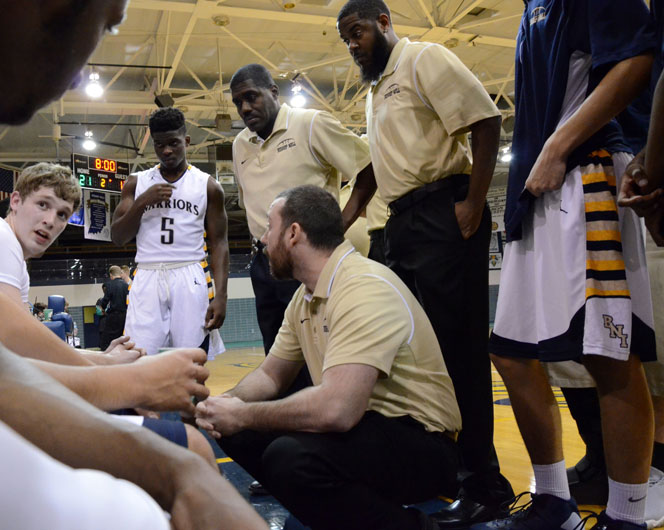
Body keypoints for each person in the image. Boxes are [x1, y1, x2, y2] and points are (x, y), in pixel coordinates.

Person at [0, 1, 266, 528]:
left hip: (186, 273)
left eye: (63, 212)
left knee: (182, 460)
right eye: (110, 23)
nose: (79, 72)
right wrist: (126, 383)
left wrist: (178, 472)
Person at [476, 0, 658, 528]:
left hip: (588, 173)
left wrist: (558, 145)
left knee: (608, 354)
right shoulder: (533, 7)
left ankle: (626, 518)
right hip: (534, 191)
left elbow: (636, 60)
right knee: (510, 353)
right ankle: (554, 502)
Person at [336, 0, 513, 525]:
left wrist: (473, 204)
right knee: (419, 356)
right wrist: (337, 223)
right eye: (345, 37)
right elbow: (372, 173)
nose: (352, 43)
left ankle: (487, 483)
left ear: (385, 23)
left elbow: (486, 120)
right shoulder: (375, 92)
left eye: (358, 31)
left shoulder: (423, 59)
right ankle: (446, 472)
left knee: (459, 353)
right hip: (402, 225)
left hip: (443, 210)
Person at [195, 185, 461, 530]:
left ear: (293, 234)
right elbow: (271, 376)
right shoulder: (305, 296)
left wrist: (244, 414)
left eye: (269, 228)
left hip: (422, 441)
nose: (262, 239)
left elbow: (338, 410)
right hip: (369, 429)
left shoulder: (362, 286)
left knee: (290, 460)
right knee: (234, 431)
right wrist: (221, 407)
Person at [0, 161, 217, 465]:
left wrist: (101, 360)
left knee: (170, 438)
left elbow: (24, 350)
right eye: (42, 205)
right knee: (192, 448)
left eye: (61, 215)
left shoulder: (13, 257)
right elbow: (13, 338)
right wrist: (120, 374)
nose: (49, 221)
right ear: (15, 201)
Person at [229, 64, 374, 357]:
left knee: (318, 352)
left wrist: (339, 226)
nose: (244, 108)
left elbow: (368, 166)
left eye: (251, 97)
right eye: (237, 103)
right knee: (276, 353)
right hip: (264, 263)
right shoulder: (239, 145)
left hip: (309, 258)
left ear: (272, 92)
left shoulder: (310, 123)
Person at [112, 107, 228, 359]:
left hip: (190, 274)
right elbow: (118, 237)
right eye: (159, 144)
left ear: (186, 141)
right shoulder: (136, 182)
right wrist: (143, 202)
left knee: (191, 359)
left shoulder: (207, 185)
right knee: (138, 357)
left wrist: (221, 296)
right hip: (147, 274)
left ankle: (191, 401)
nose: (166, 151)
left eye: (174, 143)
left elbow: (219, 243)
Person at [98, 265, 129, 350]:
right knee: (121, 337)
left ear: (111, 275)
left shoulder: (110, 285)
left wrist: (102, 308)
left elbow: (105, 300)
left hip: (113, 316)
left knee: (106, 339)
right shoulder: (126, 285)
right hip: (124, 316)